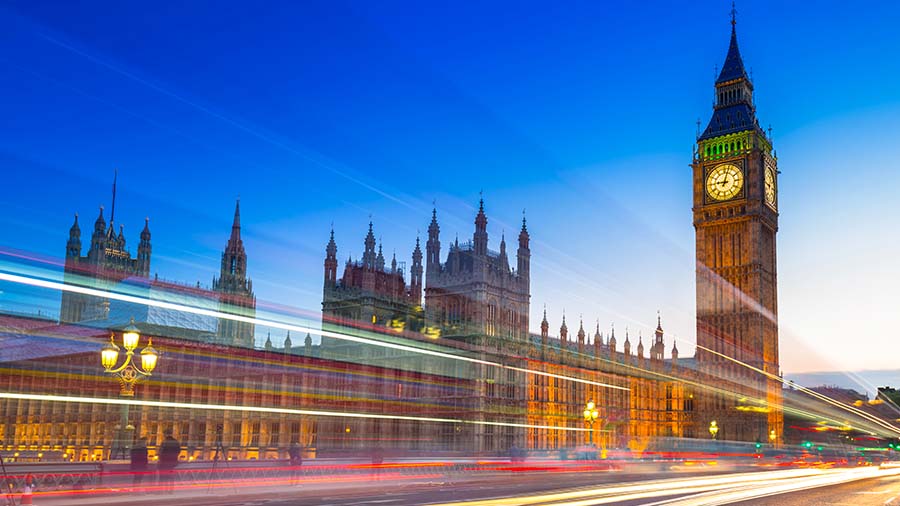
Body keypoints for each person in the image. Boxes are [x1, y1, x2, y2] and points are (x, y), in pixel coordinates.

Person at [158, 429, 181, 494]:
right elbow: (179, 451)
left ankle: (161, 490)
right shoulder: (176, 442)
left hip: (164, 462)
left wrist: (160, 459)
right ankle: (170, 490)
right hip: (172, 462)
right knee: (170, 477)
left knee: (162, 477)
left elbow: (161, 452)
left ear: (166, 434)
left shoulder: (164, 442)